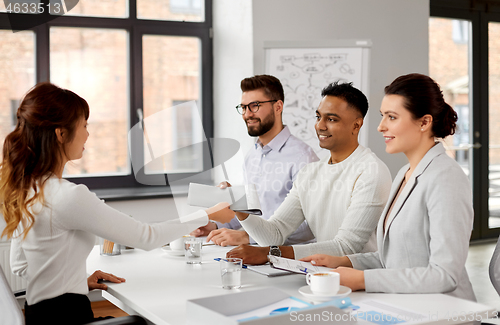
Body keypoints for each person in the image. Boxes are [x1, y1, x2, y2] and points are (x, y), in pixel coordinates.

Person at [0, 82, 232, 325]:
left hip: (41, 316)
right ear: (61, 134)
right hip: (70, 318)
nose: (88, 133)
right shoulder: (68, 196)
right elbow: (146, 236)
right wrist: (208, 214)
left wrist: (75, 281)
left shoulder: (28, 188)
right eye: (84, 125)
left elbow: (20, 265)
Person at [301, 73, 476, 301]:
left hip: (445, 312)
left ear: (424, 122)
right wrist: (344, 261)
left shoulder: (446, 178)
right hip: (405, 305)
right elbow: (394, 259)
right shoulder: (405, 173)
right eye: (383, 116)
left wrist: (362, 280)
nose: (380, 127)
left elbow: (444, 276)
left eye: (392, 117)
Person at [210, 81, 392, 265]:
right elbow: (274, 234)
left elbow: (346, 247)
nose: (320, 126)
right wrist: (240, 208)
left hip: (360, 282)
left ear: (356, 125)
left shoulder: (371, 171)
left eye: (331, 119)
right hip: (320, 275)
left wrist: (269, 253)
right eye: (318, 117)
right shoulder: (310, 173)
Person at [191, 75, 319, 246]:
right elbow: (252, 214)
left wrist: (247, 237)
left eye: (254, 106)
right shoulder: (253, 156)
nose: (247, 114)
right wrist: (214, 225)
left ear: (278, 106)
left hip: (289, 259)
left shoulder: (303, 158)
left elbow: (310, 224)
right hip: (257, 255)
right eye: (243, 107)